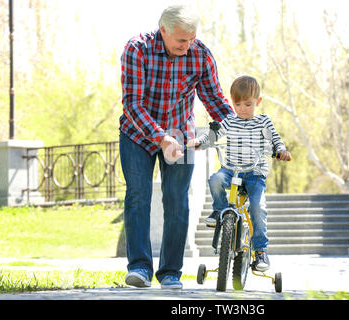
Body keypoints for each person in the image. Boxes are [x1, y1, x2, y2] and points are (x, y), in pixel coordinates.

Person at [119, 5, 234, 289]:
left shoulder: (200, 55)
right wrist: (160, 137)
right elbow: (132, 103)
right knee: (138, 197)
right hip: (137, 133)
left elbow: (214, 98)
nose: (187, 45)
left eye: (192, 38)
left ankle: (170, 272)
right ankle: (140, 269)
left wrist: (239, 127)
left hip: (180, 135)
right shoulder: (137, 49)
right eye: (181, 40)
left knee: (177, 201)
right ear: (163, 32)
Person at [192, 75, 291, 272]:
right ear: (232, 103)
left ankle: (261, 251)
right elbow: (214, 135)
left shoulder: (263, 122)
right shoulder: (229, 120)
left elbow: (275, 140)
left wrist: (282, 151)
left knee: (257, 207)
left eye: (248, 104)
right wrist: (199, 142)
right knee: (215, 179)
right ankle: (220, 210)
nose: (243, 109)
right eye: (238, 104)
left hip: (254, 174)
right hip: (231, 169)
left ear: (258, 102)